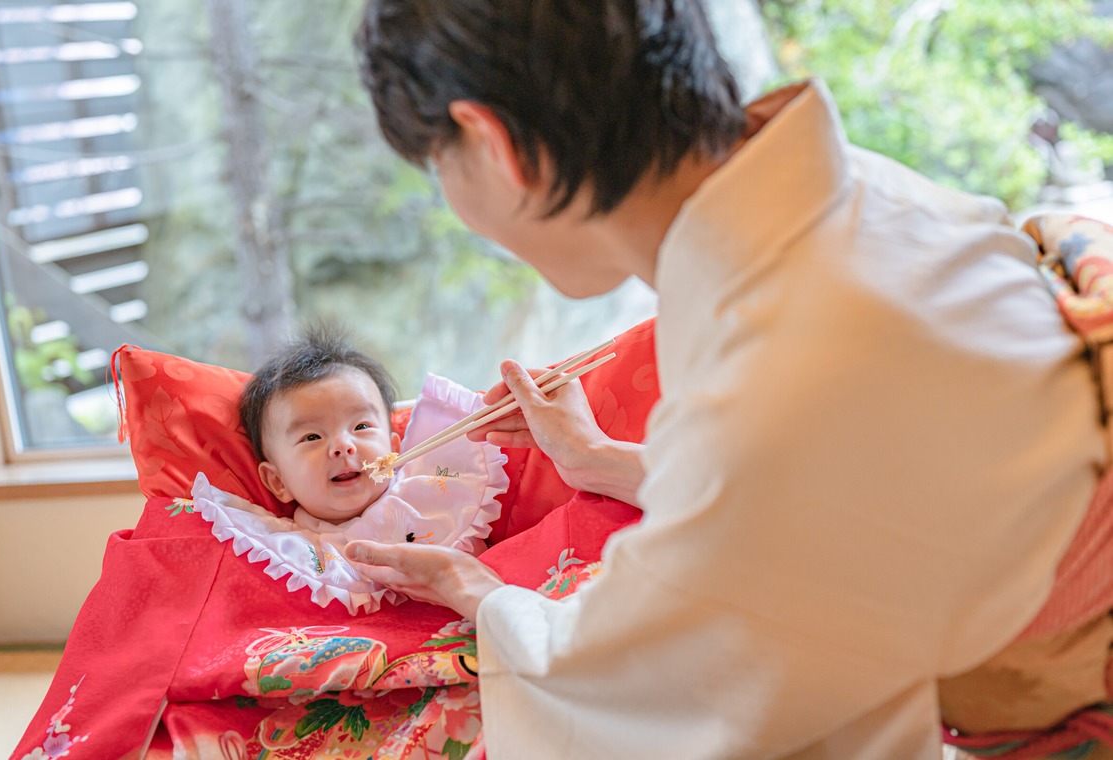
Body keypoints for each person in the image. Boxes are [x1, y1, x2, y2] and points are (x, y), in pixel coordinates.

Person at [343, 1, 1112, 757]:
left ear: (494, 144)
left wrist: (482, 598)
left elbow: (664, 692)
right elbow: (854, 490)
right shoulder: (850, 195)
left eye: (440, 164)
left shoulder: (781, 383)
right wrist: (603, 460)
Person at [191, 325, 508, 615]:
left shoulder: (434, 494)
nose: (343, 446)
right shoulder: (288, 553)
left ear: (394, 449)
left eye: (361, 426)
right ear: (277, 481)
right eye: (312, 437)